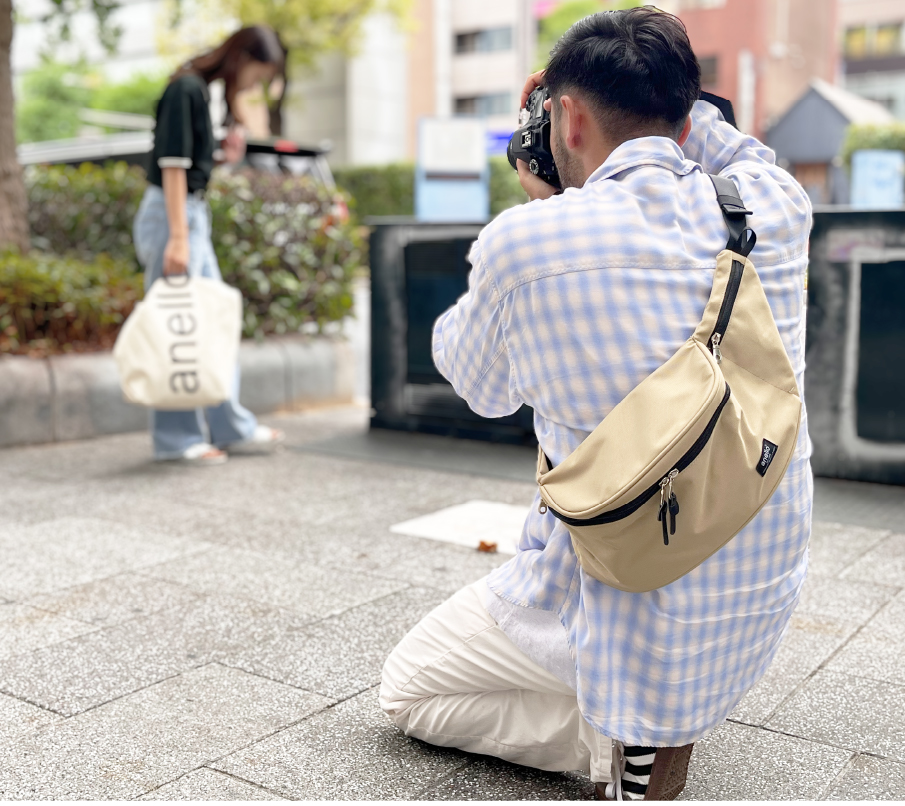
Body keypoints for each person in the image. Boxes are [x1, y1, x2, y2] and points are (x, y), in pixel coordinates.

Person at [380, 7, 812, 801]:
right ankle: (655, 714)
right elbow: (719, 137)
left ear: (564, 118)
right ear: (686, 112)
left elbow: (476, 385)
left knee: (408, 686)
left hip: (633, 568)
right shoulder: (773, 203)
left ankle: (615, 740)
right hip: (757, 565)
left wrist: (540, 197)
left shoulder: (531, 239)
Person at [133, 26, 288, 465]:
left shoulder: (200, 93)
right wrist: (180, 238)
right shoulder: (186, 90)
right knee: (179, 328)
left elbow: (190, 167)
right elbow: (173, 167)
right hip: (172, 216)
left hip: (184, 214)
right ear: (241, 58)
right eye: (257, 75)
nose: (254, 85)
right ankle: (178, 439)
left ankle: (228, 427)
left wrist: (224, 157)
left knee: (209, 324)